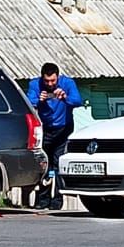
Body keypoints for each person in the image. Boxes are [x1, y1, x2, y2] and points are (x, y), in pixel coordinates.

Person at [27, 62, 82, 210]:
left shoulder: (67, 83)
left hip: (63, 129)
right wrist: (39, 100)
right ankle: (42, 199)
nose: (50, 84)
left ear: (58, 77)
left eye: (53, 81)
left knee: (58, 164)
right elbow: (28, 103)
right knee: (44, 164)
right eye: (47, 81)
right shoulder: (34, 84)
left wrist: (65, 97)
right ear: (42, 78)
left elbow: (78, 101)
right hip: (44, 130)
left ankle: (57, 200)